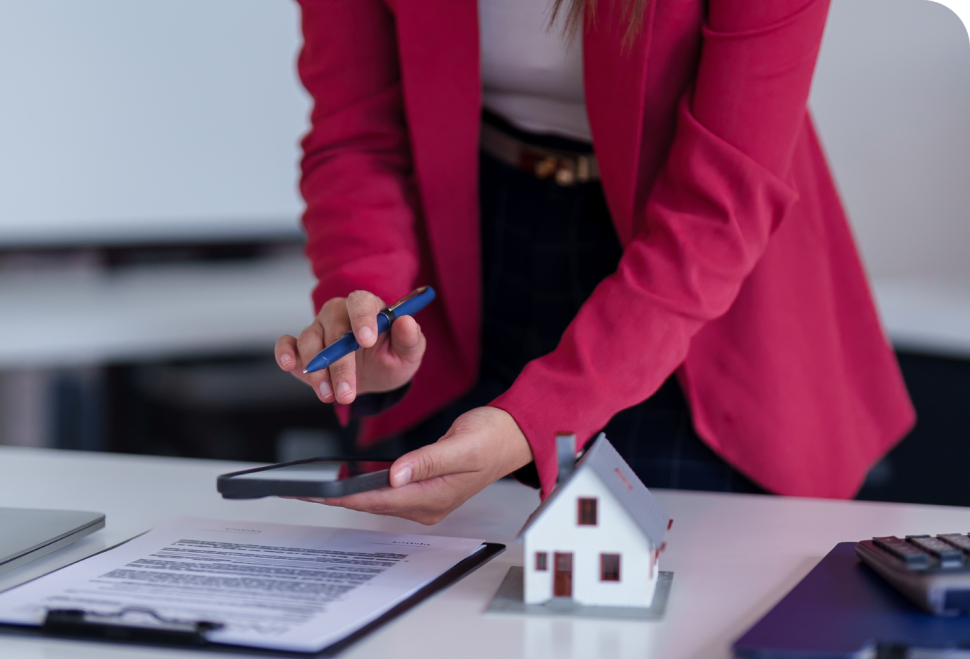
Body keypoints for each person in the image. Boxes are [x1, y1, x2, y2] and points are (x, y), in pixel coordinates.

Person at [275, 0, 914, 524]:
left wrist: (535, 422)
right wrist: (368, 300)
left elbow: (718, 208)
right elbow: (357, 129)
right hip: (468, 244)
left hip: (695, 294)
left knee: (679, 596)